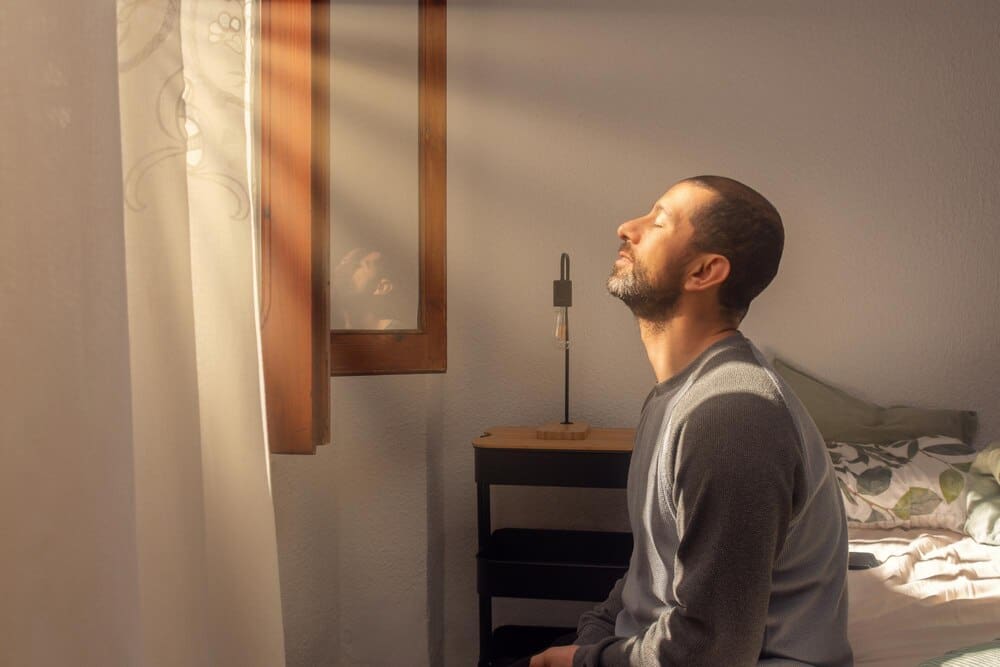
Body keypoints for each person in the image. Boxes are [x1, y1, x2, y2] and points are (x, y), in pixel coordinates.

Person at [526, 176, 852, 667]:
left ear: (704, 271)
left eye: (658, 222)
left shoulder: (731, 416)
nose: (626, 227)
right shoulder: (677, 397)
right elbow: (649, 574)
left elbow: (714, 651)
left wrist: (582, 661)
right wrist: (591, 638)